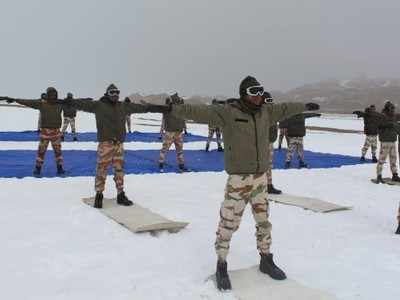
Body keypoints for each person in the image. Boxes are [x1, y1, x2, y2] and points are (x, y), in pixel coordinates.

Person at [169, 75, 320, 290]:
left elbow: (286, 108)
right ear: (244, 94)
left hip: (259, 178)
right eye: (253, 92)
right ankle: (221, 264)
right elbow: (198, 112)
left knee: (263, 221)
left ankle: (266, 259)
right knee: (228, 223)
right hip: (239, 179)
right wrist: (175, 109)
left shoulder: (266, 112)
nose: (258, 96)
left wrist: (304, 106)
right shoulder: (228, 112)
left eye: (260, 91)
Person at [66, 84, 169, 208]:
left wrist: (161, 108)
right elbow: (81, 104)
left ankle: (120, 195)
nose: (115, 95)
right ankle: (99, 195)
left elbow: (143, 108)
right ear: (107, 94)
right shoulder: (98, 105)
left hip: (119, 144)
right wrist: (69, 102)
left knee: (119, 170)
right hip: (106, 144)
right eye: (112, 92)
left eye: (117, 92)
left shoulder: (123, 106)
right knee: (102, 170)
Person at [1, 87, 68, 175]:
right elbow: (28, 102)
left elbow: (28, 102)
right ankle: (56, 169)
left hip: (48, 132)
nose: (53, 96)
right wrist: (15, 100)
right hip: (53, 132)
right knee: (55, 152)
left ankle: (39, 169)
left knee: (43, 152)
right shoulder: (57, 103)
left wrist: (15, 100)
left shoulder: (45, 103)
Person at [159, 93, 187, 172]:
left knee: (165, 149)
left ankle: (161, 164)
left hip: (171, 132)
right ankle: (181, 165)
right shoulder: (180, 108)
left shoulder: (168, 108)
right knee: (179, 150)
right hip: (177, 132)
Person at [374, 101, 400, 183]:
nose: (393, 110)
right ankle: (379, 175)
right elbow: (378, 125)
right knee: (382, 159)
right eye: (391, 108)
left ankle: (395, 175)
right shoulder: (382, 116)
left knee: (393, 159)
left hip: (393, 141)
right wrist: (387, 124)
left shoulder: (394, 117)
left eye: (393, 108)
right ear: (387, 108)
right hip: (385, 141)